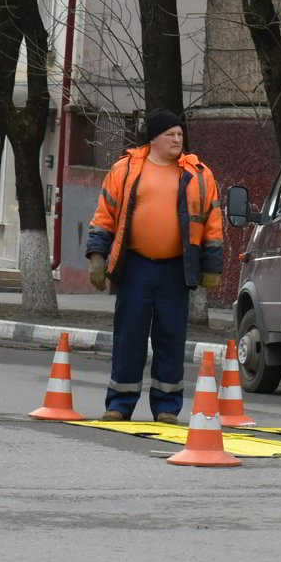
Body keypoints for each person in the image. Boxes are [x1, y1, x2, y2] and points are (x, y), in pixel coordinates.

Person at [86, 111, 226, 423]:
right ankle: (119, 405)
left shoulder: (199, 174)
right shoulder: (125, 169)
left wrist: (212, 266)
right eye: (170, 135)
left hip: (175, 269)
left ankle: (166, 407)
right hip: (135, 266)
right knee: (129, 336)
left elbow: (212, 223)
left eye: (179, 134)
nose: (177, 139)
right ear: (153, 138)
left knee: (171, 339)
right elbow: (105, 214)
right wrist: (97, 256)